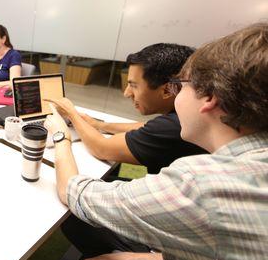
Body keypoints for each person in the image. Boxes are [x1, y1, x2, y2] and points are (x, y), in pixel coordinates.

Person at [32, 24, 268, 260]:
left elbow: (75, 192)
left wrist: (60, 133)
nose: (175, 93)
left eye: (180, 87)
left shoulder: (201, 185)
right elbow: (209, 258)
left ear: (209, 98)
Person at [48, 43, 206, 174]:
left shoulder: (173, 126)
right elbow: (144, 128)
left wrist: (71, 113)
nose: (126, 93)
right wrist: (100, 125)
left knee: (107, 174)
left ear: (167, 90)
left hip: (151, 182)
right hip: (154, 172)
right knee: (116, 170)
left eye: (133, 86)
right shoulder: (186, 115)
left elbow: (101, 148)